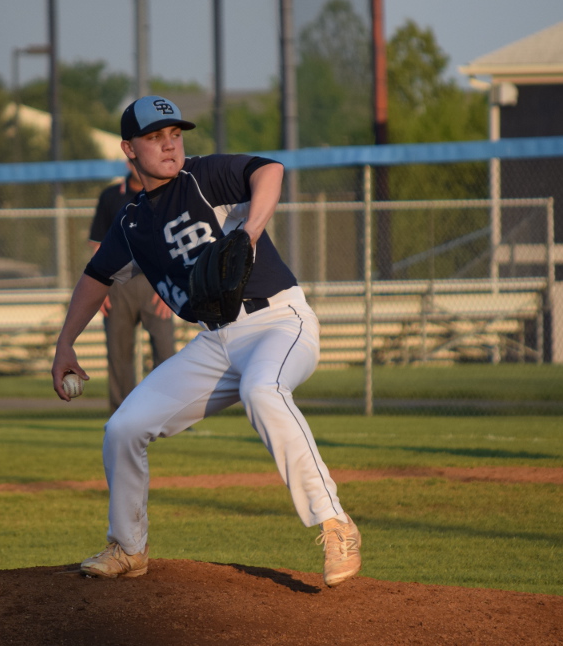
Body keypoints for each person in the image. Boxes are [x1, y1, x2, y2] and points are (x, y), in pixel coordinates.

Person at [52, 95, 361, 588]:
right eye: (155, 137)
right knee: (123, 429)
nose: (169, 144)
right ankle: (129, 547)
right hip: (215, 342)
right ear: (129, 149)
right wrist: (65, 342)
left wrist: (251, 231)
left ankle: (334, 523)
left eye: (174, 134)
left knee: (262, 391)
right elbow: (96, 276)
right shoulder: (131, 221)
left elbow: (270, 171)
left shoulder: (203, 176)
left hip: (279, 321)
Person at [88, 160, 175, 414]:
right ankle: (122, 416)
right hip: (118, 284)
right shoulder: (111, 196)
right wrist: (99, 287)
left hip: (156, 283)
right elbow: (98, 246)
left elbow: (174, 241)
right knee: (119, 354)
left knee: (166, 351)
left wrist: (170, 284)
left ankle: (167, 413)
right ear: (129, 159)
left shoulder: (167, 193)